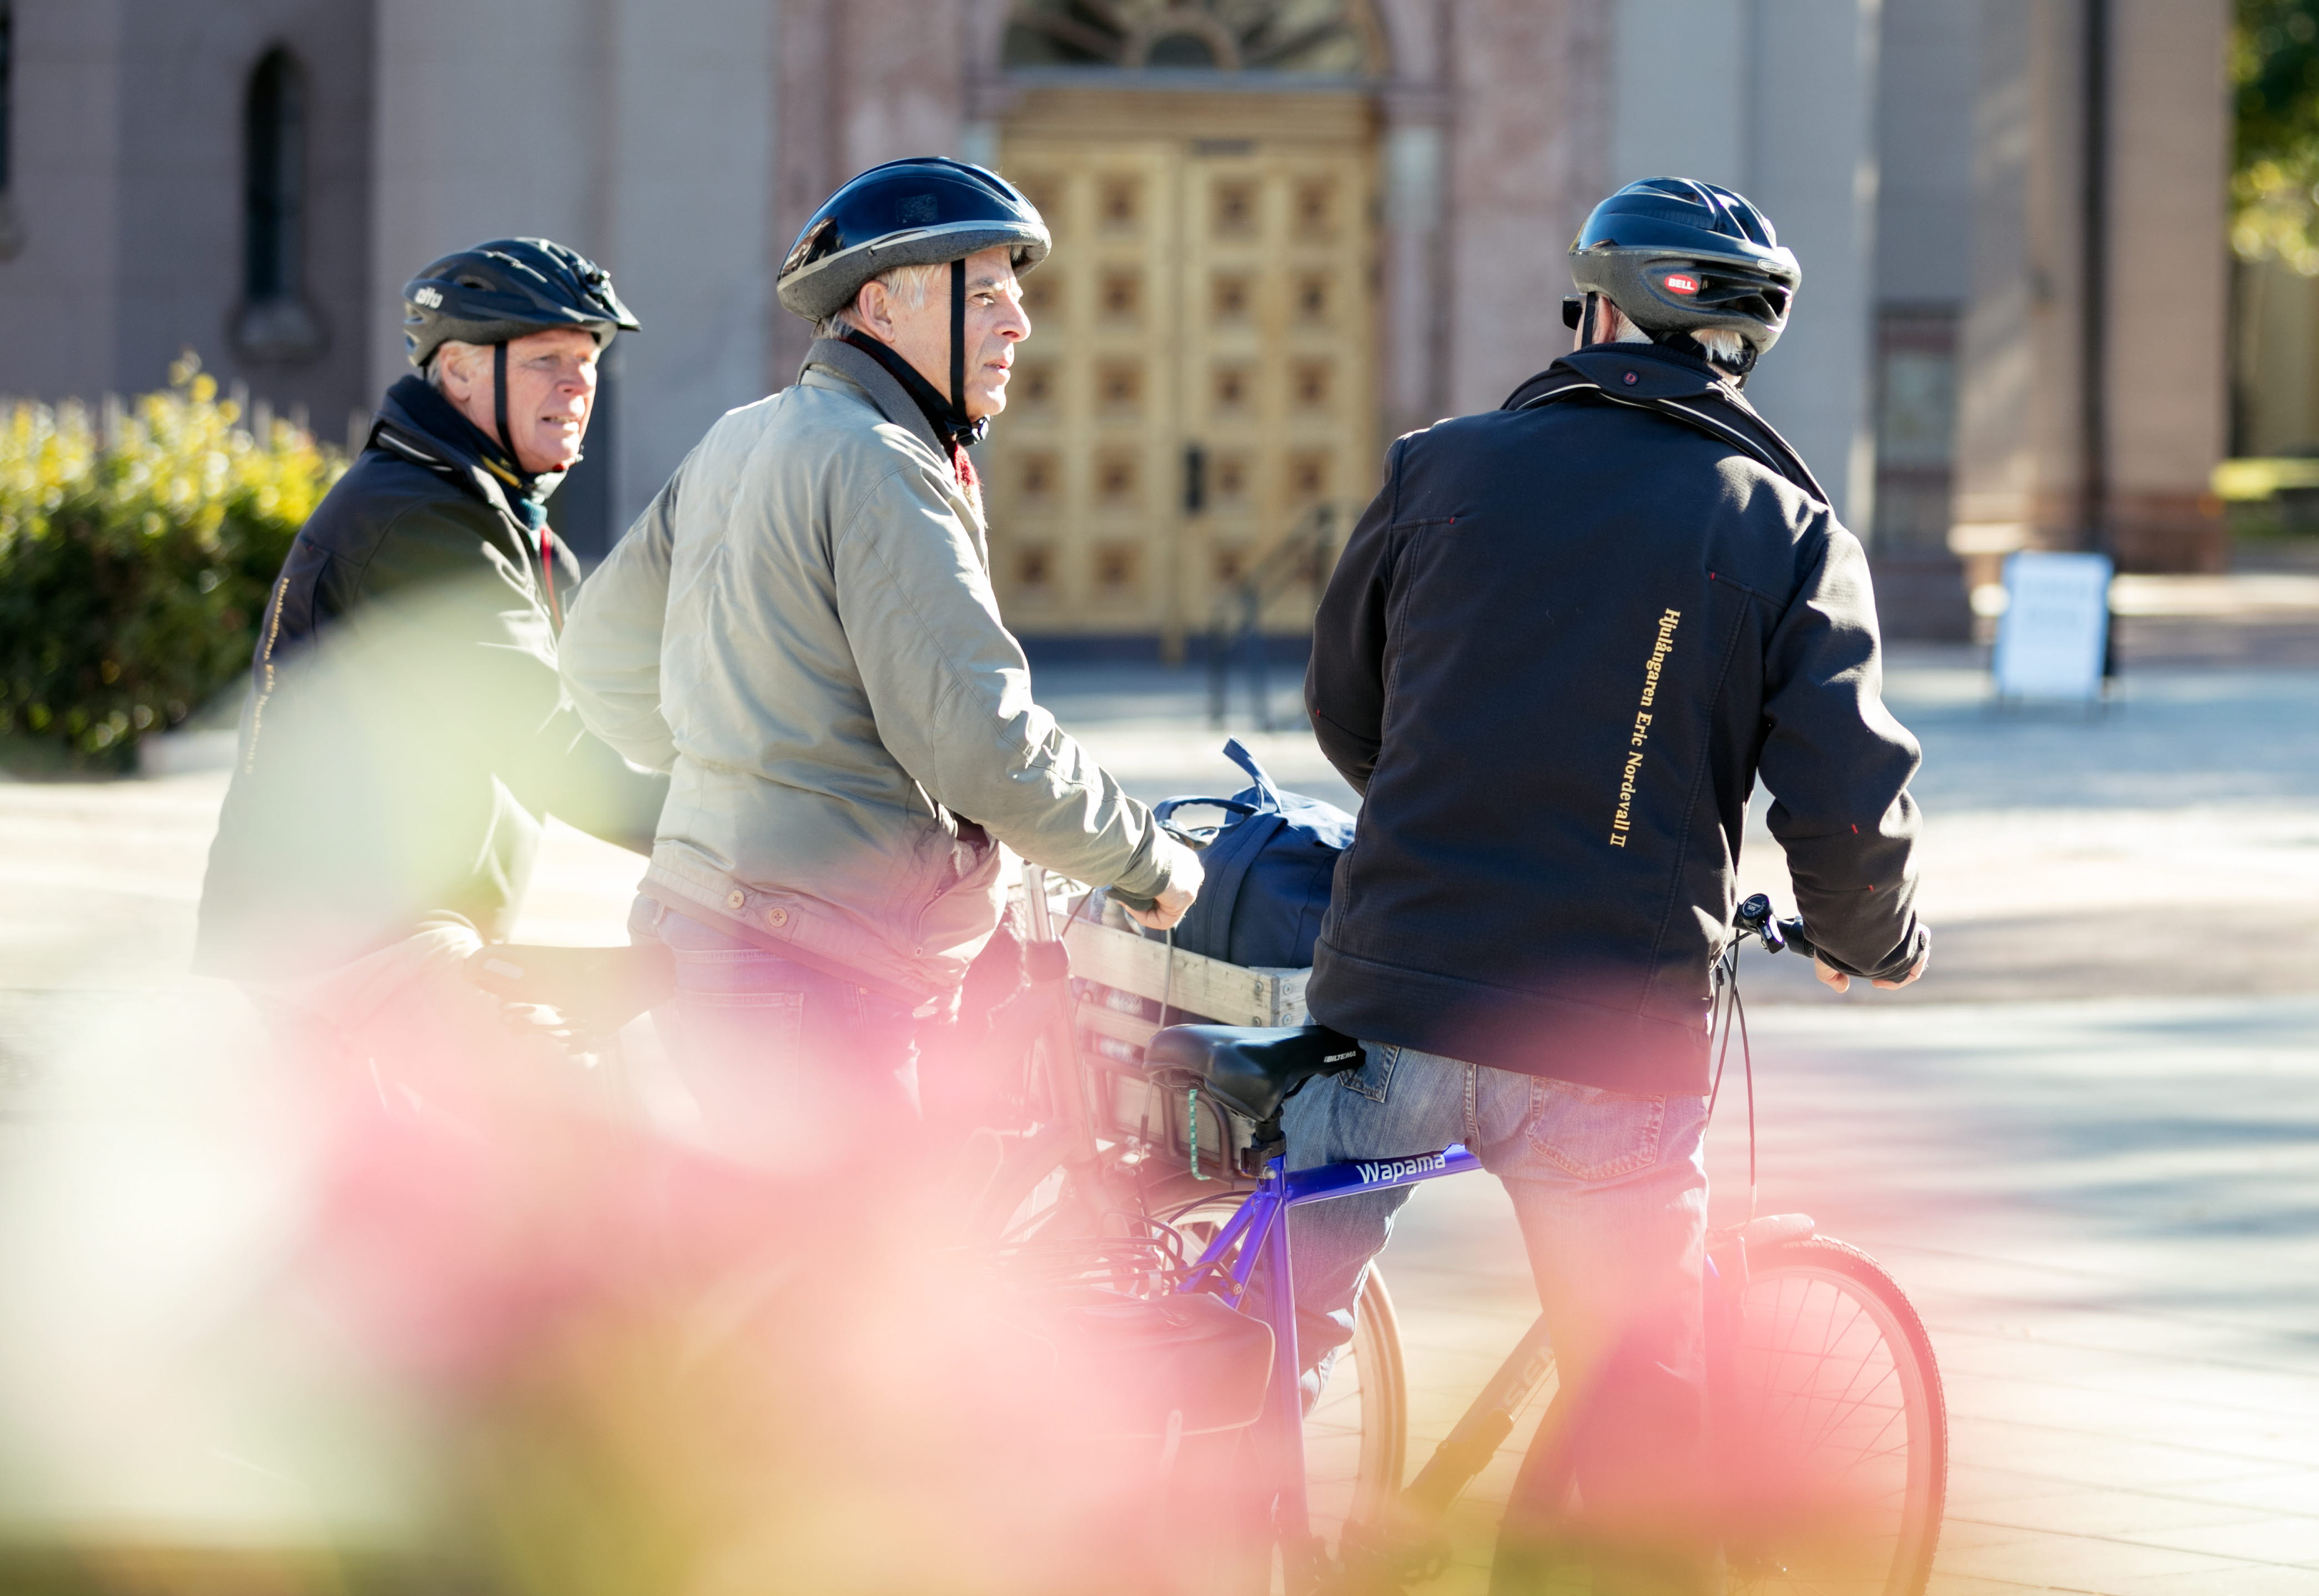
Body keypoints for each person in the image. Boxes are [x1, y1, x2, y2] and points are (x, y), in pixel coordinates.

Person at [1283, 175, 1930, 1588]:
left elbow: (1348, 713)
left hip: (1393, 981)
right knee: (1637, 1397)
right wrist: (1868, 940)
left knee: (1279, 1327)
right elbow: (1842, 799)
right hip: (1606, 1029)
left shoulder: (1435, 468)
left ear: (1588, 311)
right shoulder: (1782, 527)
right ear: (1741, 351)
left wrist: (1453, 812)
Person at [556, 157, 1204, 1159]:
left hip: (705, 932)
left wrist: (740, 759)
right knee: (880, 1294)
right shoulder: (879, 461)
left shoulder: (741, 435)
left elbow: (598, 656)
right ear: (881, 307)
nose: (1018, 324)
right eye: (984, 294)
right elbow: (980, 744)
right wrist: (1145, 861)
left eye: (1018, 297)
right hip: (812, 971)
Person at [194, 238, 667, 1088]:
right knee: (574, 1117)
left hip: (386, 925)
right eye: (546, 359)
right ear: (457, 371)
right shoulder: (419, 522)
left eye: (590, 360)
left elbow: (616, 699)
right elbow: (543, 740)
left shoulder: (493, 512)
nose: (578, 383)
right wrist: (721, 835)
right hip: (351, 933)